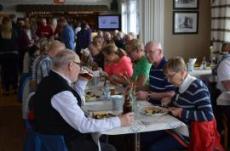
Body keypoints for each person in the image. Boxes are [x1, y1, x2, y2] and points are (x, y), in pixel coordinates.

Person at [32, 50, 134, 151]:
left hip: (56, 137)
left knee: (101, 135)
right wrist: (119, 121)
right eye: (79, 65)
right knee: (110, 148)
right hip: (66, 144)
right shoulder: (61, 92)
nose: (81, 69)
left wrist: (82, 81)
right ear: (70, 66)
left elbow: (75, 100)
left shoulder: (50, 80)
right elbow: (83, 125)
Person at [162, 57, 223, 151]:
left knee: (154, 147)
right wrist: (170, 101)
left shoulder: (197, 87)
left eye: (171, 76)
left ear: (182, 72)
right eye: (167, 77)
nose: (168, 80)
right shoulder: (180, 85)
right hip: (177, 128)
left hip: (191, 135)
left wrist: (182, 113)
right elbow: (180, 103)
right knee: (148, 137)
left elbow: (208, 115)